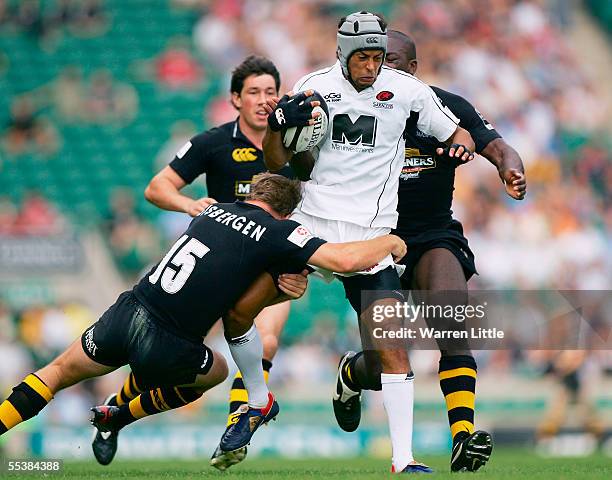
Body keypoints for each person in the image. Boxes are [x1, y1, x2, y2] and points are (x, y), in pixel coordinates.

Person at [0, 174, 408, 466]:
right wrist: (389, 240)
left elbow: (224, 258)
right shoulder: (277, 231)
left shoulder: (212, 213)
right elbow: (343, 260)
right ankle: (121, 415)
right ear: (285, 212)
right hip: (170, 340)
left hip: (128, 310)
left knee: (53, 374)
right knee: (213, 372)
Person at [231, 11, 477, 474]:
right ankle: (257, 402)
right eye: (363, 56)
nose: (372, 65)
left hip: (369, 240)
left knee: (393, 346)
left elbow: (455, 128)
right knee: (243, 309)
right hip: (311, 226)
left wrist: (462, 143)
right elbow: (278, 162)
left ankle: (403, 460)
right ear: (343, 53)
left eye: (378, 56)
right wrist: (277, 127)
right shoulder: (314, 86)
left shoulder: (407, 90)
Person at [383, 29, 526, 472]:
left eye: (390, 61)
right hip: (372, 240)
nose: (379, 69)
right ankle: (351, 377)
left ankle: (462, 435)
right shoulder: (355, 110)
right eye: (374, 60)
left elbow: (497, 146)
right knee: (384, 359)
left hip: (431, 236)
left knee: (451, 322)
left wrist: (511, 170)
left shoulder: (446, 107)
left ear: (412, 69)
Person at [143, 55, 294, 469]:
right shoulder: (212, 144)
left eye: (271, 92)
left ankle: (236, 432)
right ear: (234, 99)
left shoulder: (298, 145)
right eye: (254, 92)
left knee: (266, 340)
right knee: (167, 354)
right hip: (218, 266)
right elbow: (157, 188)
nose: (264, 100)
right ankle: (117, 414)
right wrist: (190, 205)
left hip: (273, 265)